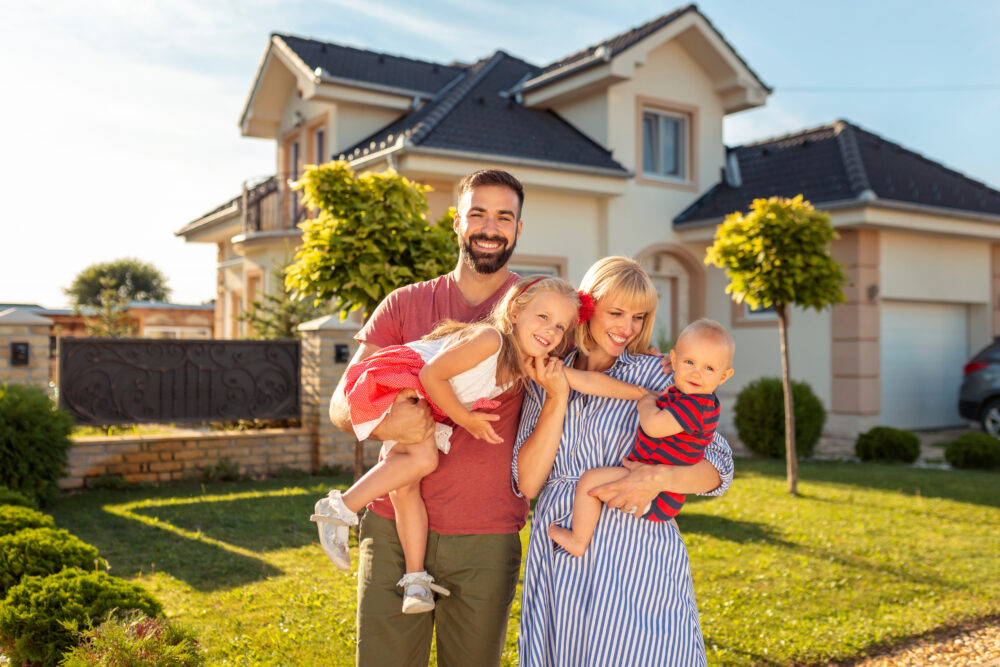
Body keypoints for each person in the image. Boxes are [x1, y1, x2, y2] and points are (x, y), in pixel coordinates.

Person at [313, 275, 646, 615]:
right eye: (543, 317)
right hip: (400, 380)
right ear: (515, 311)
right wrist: (466, 419)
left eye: (561, 327)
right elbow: (430, 375)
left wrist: (646, 394)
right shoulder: (490, 340)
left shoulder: (525, 364)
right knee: (421, 462)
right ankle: (340, 509)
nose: (550, 331)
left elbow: (588, 381)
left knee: (406, 485)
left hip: (425, 399)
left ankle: (415, 580)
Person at [513, 256, 735, 667]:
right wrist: (557, 397)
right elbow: (527, 484)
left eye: (639, 316)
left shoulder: (660, 374)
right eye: (616, 312)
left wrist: (659, 476)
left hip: (634, 551)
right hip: (561, 543)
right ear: (587, 308)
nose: (627, 327)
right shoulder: (545, 375)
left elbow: (720, 468)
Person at [546, 318, 735, 557]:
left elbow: (654, 426)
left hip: (658, 493)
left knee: (589, 482)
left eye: (709, 368)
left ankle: (578, 540)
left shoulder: (698, 404)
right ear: (674, 360)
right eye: (689, 362)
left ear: (725, 375)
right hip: (651, 483)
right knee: (594, 485)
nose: (697, 373)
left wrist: (645, 402)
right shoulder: (685, 395)